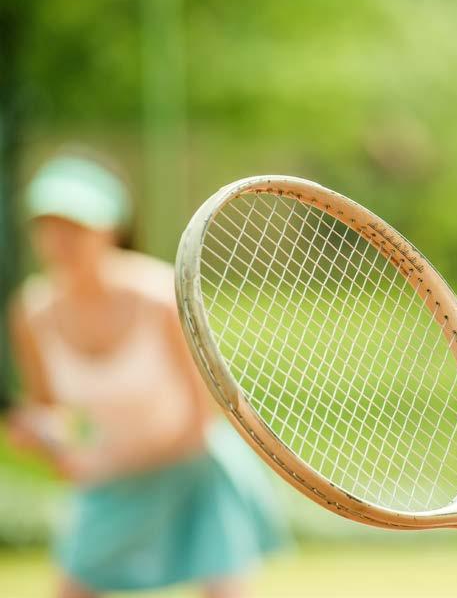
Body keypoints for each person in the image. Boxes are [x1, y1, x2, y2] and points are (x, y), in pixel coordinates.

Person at [8, 153, 290, 598]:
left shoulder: (161, 296)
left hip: (193, 468)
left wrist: (115, 464)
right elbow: (55, 416)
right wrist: (48, 441)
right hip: (109, 484)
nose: (60, 239)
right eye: (47, 225)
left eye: (75, 225)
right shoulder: (30, 313)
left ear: (112, 228)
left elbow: (205, 414)